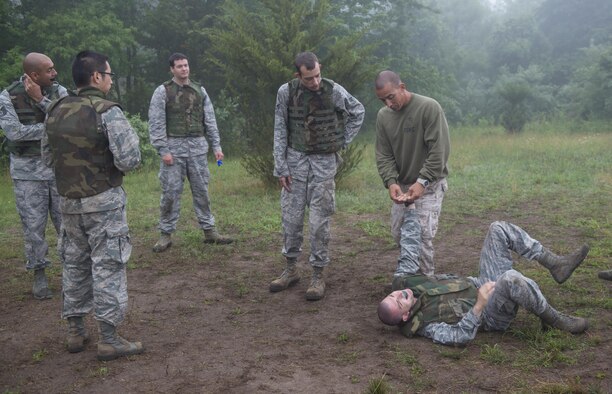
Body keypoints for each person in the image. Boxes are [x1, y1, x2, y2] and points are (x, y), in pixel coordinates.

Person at [42, 50, 144, 361]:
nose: (111, 80)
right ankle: (109, 339)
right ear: (96, 77)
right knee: (108, 265)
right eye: (109, 74)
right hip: (104, 204)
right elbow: (130, 159)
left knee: (73, 265)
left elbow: (47, 160)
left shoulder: (56, 110)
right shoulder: (107, 111)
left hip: (69, 205)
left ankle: (75, 331)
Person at [378, 220, 590, 346]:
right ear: (405, 315)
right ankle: (554, 320)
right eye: (398, 303)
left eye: (392, 295)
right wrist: (479, 305)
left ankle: (555, 263)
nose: (398, 295)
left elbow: (409, 250)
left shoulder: (405, 281)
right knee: (511, 279)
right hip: (489, 314)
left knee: (497, 228)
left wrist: (411, 208)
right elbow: (458, 336)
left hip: (481, 283)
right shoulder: (425, 325)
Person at [269, 51, 365, 300]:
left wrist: (341, 141)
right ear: (298, 75)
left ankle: (317, 275)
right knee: (290, 220)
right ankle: (290, 270)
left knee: (319, 222)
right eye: (309, 78)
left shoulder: (334, 91)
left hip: (323, 165)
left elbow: (358, 112)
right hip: (294, 164)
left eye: (317, 75)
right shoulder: (286, 92)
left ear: (320, 68)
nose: (314, 82)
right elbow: (280, 128)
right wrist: (281, 166)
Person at [148, 52, 232, 252]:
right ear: (172, 69)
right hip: (173, 151)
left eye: (186, 65)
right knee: (170, 193)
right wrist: (163, 150)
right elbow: (156, 122)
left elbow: (210, 120)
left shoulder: (200, 91)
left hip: (197, 149)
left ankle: (209, 230)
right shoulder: (163, 92)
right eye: (179, 66)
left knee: (202, 191)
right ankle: (165, 234)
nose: (184, 69)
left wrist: (217, 147)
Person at [0, 52, 68, 300]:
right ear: (34, 75)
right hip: (27, 174)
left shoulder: (59, 92)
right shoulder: (8, 96)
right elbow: (15, 133)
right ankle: (39, 274)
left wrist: (40, 100)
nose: (55, 73)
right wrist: (52, 129)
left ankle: (72, 272)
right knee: (33, 228)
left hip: (58, 171)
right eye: (49, 70)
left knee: (67, 225)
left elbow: (69, 122)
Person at [374, 70, 450, 277]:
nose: (388, 104)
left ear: (402, 87)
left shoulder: (428, 107)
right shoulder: (383, 117)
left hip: (430, 183)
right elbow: (383, 154)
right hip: (404, 185)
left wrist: (422, 181)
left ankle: (426, 284)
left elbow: (439, 151)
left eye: (391, 97)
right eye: (383, 100)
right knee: (399, 234)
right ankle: (411, 280)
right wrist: (391, 182)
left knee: (421, 234)